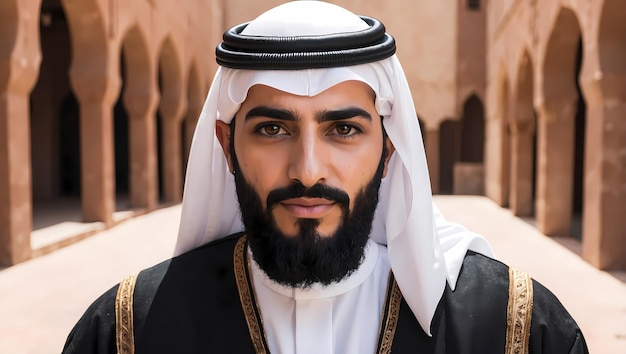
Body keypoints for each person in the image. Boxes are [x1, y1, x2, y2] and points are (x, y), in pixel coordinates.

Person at [62, 1, 588, 353]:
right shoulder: (127, 332)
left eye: (343, 129)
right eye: (272, 128)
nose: (308, 170)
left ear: (388, 149)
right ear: (226, 145)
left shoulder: (513, 329)